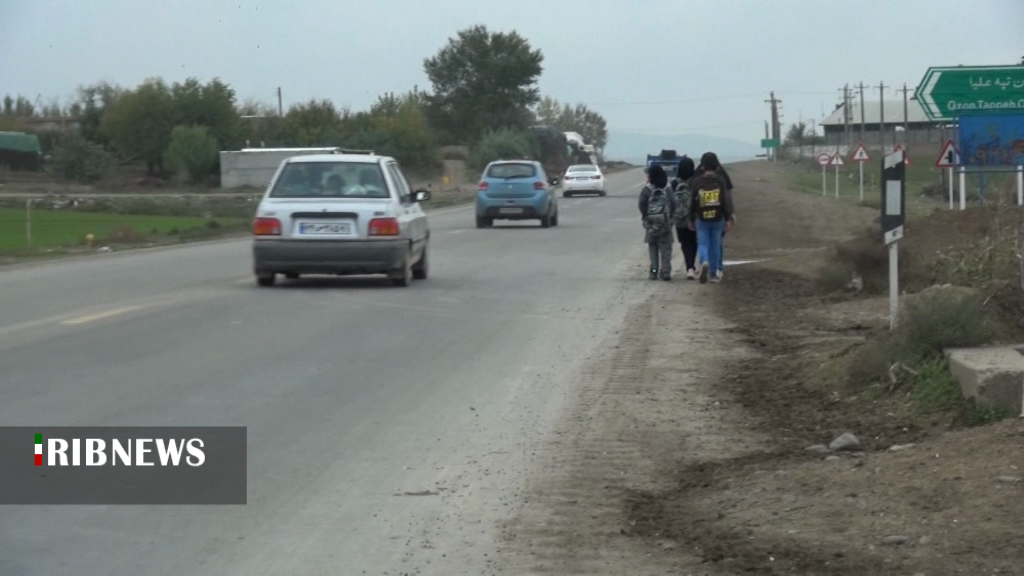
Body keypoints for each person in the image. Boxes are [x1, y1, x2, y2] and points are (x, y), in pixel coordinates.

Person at [688, 152, 735, 284]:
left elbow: (691, 202)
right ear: (717, 166)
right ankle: (714, 274)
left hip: (701, 218)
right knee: (715, 245)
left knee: (703, 243)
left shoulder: (697, 182)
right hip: (717, 218)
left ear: (702, 166)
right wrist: (728, 218)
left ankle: (704, 261)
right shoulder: (720, 181)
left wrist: (691, 218)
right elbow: (726, 200)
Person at [639, 164, 677, 281]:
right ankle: (666, 272)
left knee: (653, 248)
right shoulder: (667, 189)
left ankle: (654, 272)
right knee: (666, 248)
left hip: (651, 224)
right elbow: (674, 203)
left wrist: (646, 216)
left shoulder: (647, 189)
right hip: (665, 224)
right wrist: (669, 218)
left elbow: (641, 204)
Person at [671, 156, 698, 279]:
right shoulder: (696, 182)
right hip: (692, 218)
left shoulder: (674, 183)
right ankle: (692, 266)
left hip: (679, 219)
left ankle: (689, 268)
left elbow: (671, 202)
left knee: (685, 243)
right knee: (694, 242)